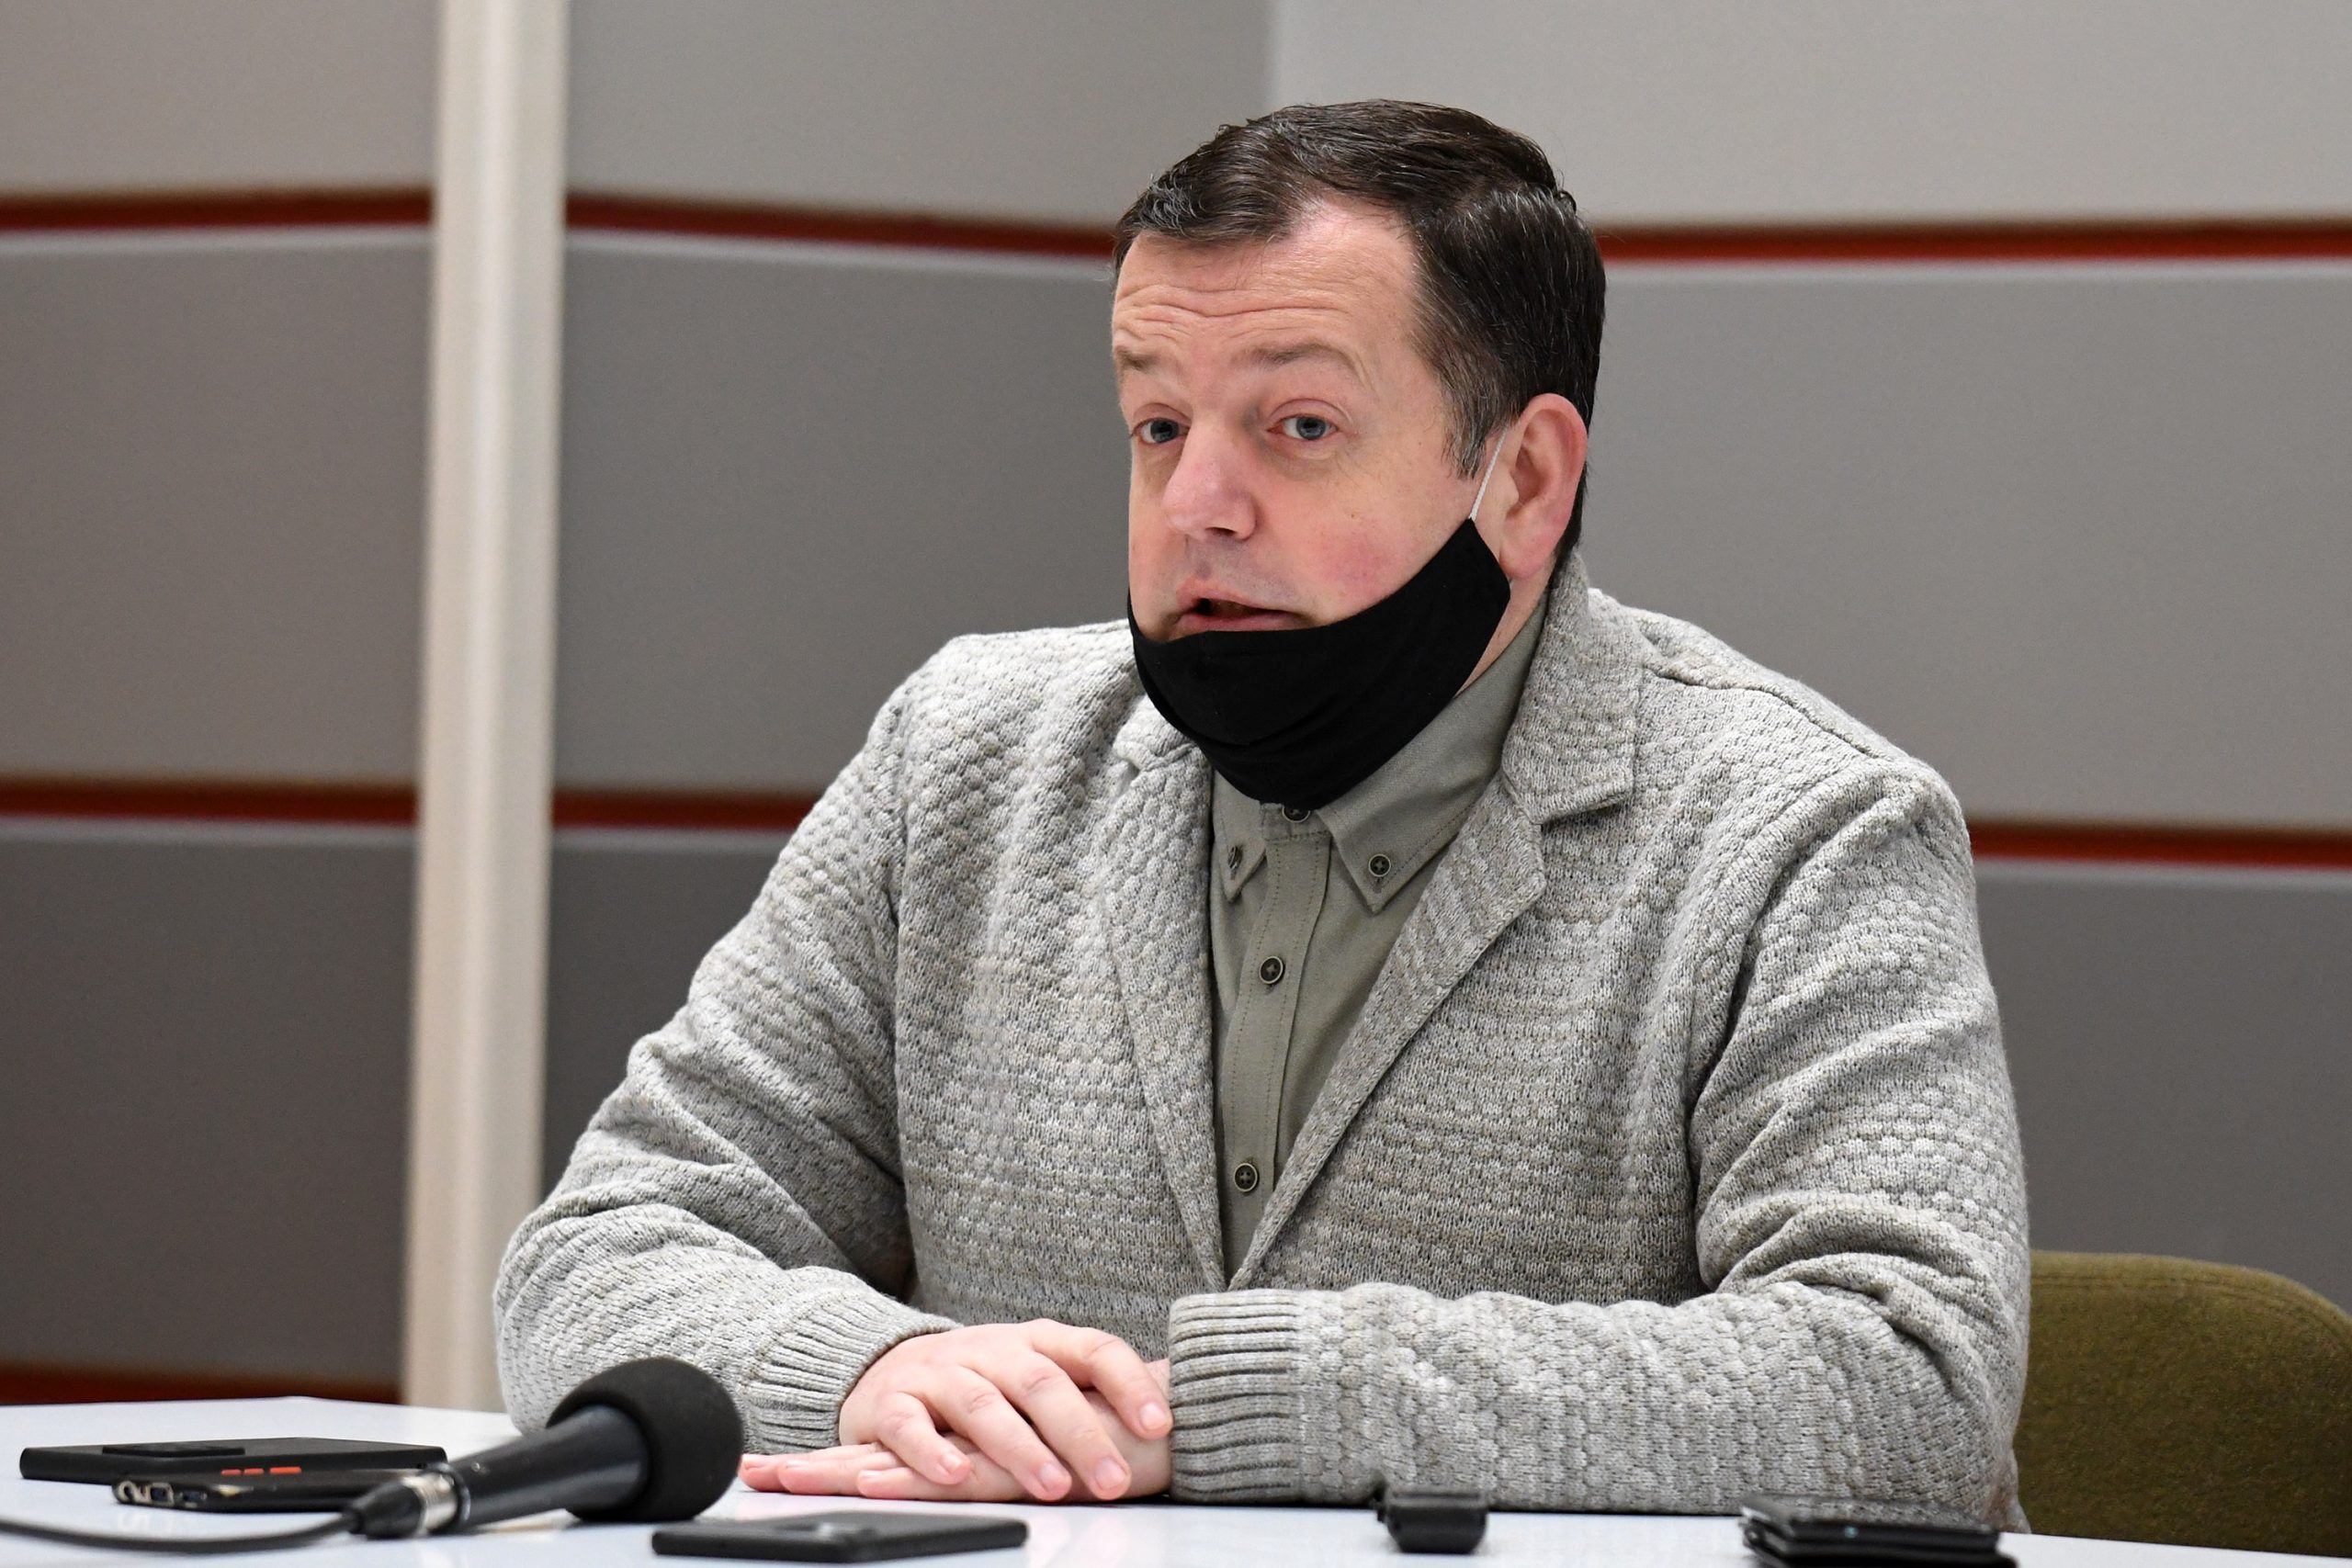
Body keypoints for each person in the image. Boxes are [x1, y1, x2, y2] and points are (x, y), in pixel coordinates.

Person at [495, 100, 2029, 1523]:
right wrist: (869, 1367)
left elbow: (1906, 1383)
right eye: (1160, 425)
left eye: (1298, 427)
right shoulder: (964, 759)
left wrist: (1242, 1408)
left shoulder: (1806, 830)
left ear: (1523, 479)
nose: (1196, 508)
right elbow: (597, 1251)